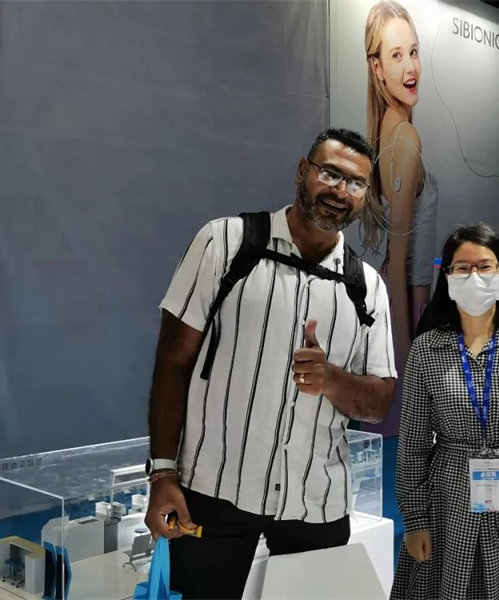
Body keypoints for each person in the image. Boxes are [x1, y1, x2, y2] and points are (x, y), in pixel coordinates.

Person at [145, 128, 397, 599]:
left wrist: (331, 380)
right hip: (214, 492)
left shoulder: (367, 288)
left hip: (316, 502)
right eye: (330, 174)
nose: (340, 191)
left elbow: (379, 402)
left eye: (356, 183)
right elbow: (173, 362)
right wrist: (162, 473)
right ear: (303, 171)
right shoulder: (225, 243)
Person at [392, 223, 499, 599]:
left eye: (485, 266)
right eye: (462, 268)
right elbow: (413, 446)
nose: (474, 276)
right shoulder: (426, 350)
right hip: (447, 499)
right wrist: (415, 519)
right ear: (448, 277)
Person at [362, 0, 438, 369]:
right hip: (409, 311)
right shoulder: (405, 138)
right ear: (377, 68)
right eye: (396, 56)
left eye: (413, 52)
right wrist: (405, 359)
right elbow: (397, 262)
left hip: (402, 308)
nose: (411, 68)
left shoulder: (384, 133)